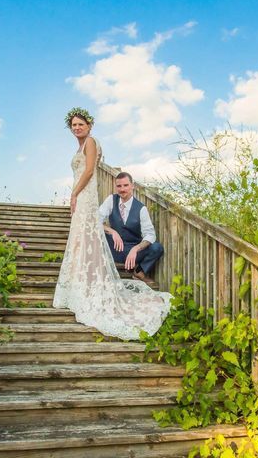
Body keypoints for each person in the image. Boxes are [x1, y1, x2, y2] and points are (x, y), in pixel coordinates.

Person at [53, 107, 171, 340]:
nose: (77, 128)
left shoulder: (91, 142)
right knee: (82, 240)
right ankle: (80, 285)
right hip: (85, 199)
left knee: (86, 238)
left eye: (81, 124)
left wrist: (75, 194)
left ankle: (100, 285)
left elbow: (88, 171)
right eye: (74, 125)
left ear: (89, 126)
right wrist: (110, 229)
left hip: (85, 195)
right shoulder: (81, 146)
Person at [98, 172, 164, 283]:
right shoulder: (111, 200)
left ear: (132, 186)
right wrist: (112, 231)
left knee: (157, 248)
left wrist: (135, 249)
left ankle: (139, 271)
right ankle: (100, 270)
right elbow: (95, 220)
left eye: (126, 185)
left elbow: (150, 234)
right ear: (116, 187)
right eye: (119, 186)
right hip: (113, 248)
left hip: (132, 251)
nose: (122, 189)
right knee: (97, 234)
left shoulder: (141, 208)